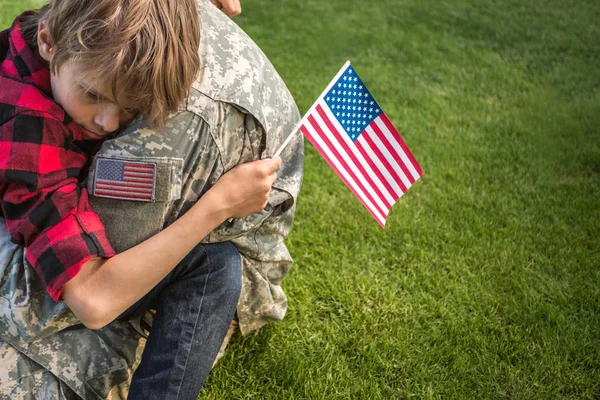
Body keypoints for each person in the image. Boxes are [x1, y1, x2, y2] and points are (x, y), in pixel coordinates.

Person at [0, 0, 303, 399]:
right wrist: (219, 206)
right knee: (215, 266)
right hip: (21, 261)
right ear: (48, 41)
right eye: (92, 94)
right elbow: (93, 301)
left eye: (130, 108)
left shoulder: (69, 43)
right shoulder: (26, 125)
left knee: (215, 264)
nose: (108, 122)